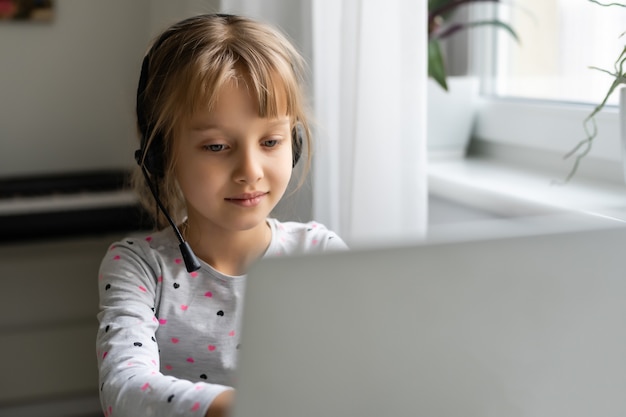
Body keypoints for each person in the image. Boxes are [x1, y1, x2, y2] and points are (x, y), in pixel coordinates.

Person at [96, 13, 347, 417]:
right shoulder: (138, 268)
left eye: (270, 141)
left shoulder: (318, 253)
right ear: (162, 155)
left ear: (294, 143)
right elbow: (124, 389)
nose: (250, 170)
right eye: (216, 146)